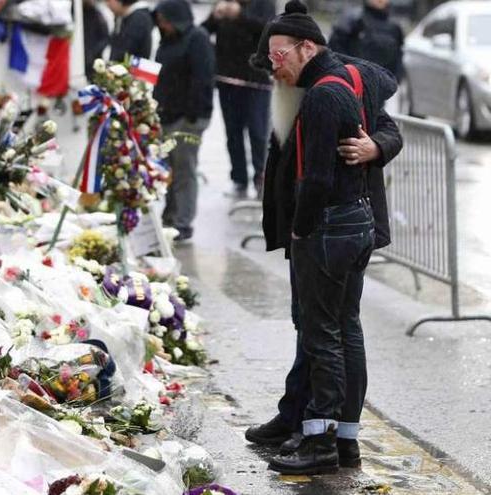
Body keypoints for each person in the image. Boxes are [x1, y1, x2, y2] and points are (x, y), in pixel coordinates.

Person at [249, 0, 401, 475]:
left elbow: (318, 174)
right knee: (333, 329)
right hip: (347, 221)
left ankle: (321, 438)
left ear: (308, 47)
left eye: (278, 58)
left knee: (323, 333)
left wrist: (301, 224)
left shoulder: (333, 86)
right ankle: (333, 433)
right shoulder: (304, 86)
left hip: (331, 223)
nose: (274, 69)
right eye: (268, 61)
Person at [153, 0, 215, 244]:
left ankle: (183, 221)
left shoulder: (197, 38)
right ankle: (170, 216)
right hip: (168, 116)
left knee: (185, 169)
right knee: (168, 169)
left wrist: (192, 117)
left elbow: (203, 78)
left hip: (187, 118)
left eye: (165, 19)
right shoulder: (168, 40)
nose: (161, 24)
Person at [202, 0, 276, 199]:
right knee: (233, 133)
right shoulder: (225, 3)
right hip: (227, 78)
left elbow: (269, 32)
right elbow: (203, 31)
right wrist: (214, 16)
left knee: (258, 132)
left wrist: (240, 16)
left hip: (256, 80)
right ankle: (239, 179)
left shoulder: (264, 4)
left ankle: (262, 177)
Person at [328, 0, 404, 81]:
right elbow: (334, 50)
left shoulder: (394, 28)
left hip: (382, 85)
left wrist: (394, 80)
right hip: (352, 82)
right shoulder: (352, 20)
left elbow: (398, 58)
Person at [83, 0, 110, 82]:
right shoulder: (77, 14)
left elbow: (106, 38)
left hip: (93, 62)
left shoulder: (97, 15)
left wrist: (92, 53)